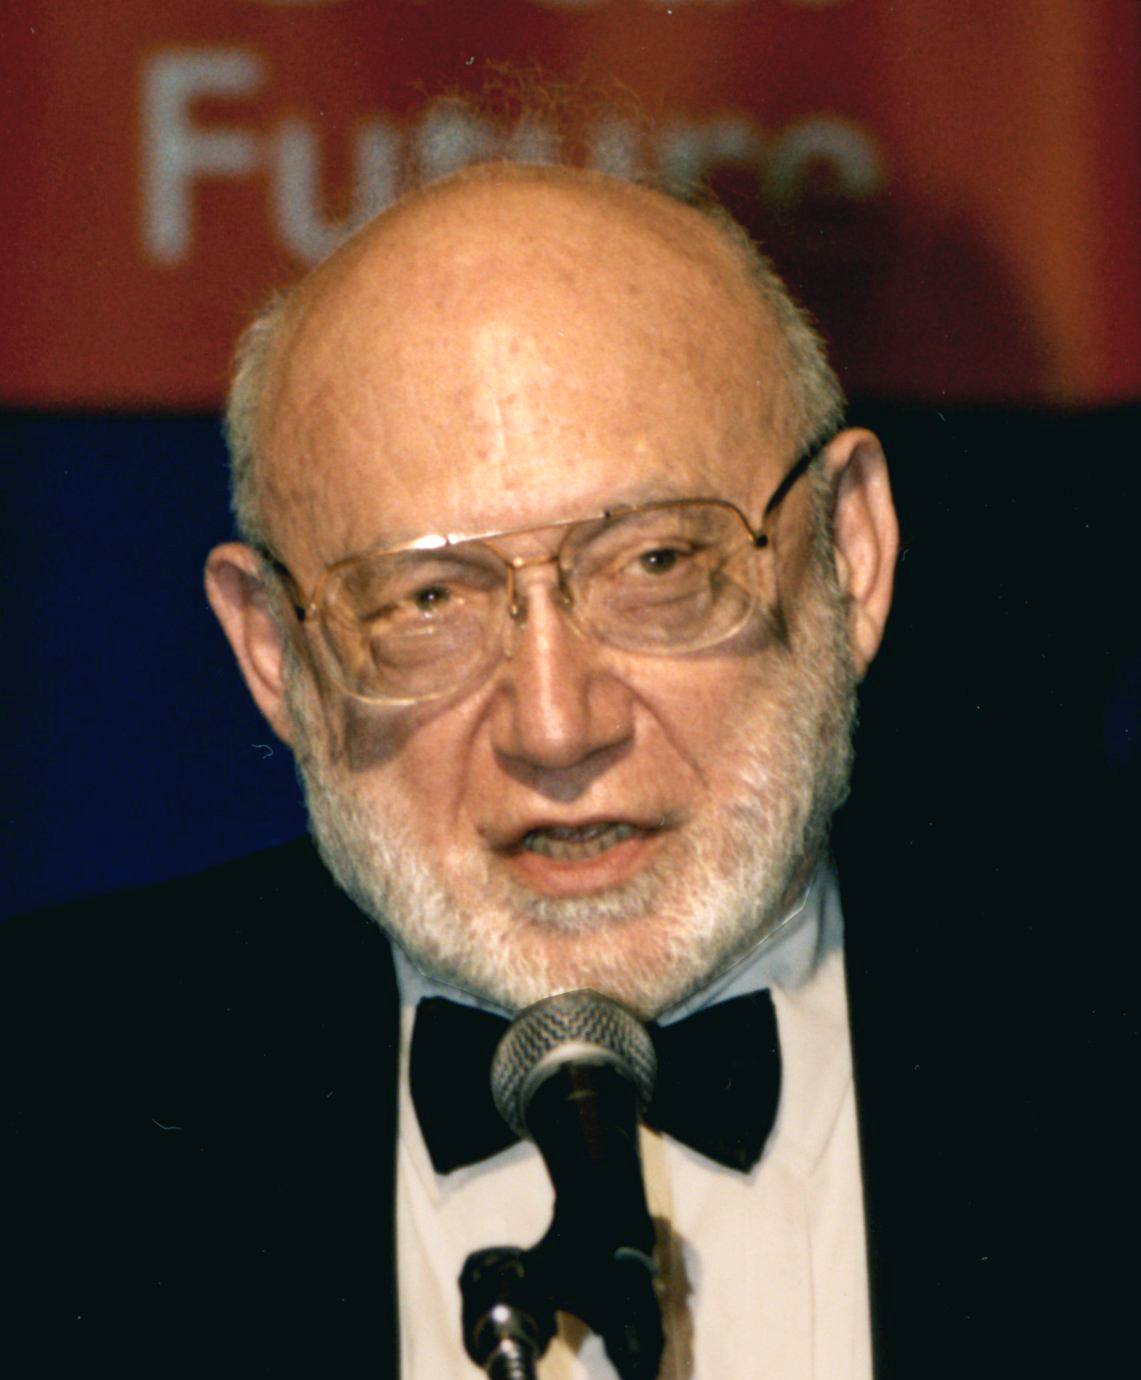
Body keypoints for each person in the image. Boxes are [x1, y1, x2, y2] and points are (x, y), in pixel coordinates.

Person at [6, 161, 1056, 1376]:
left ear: (850, 553)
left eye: (657, 564)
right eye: (427, 600)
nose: (556, 729)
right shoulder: (44, 1096)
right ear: (274, 652)